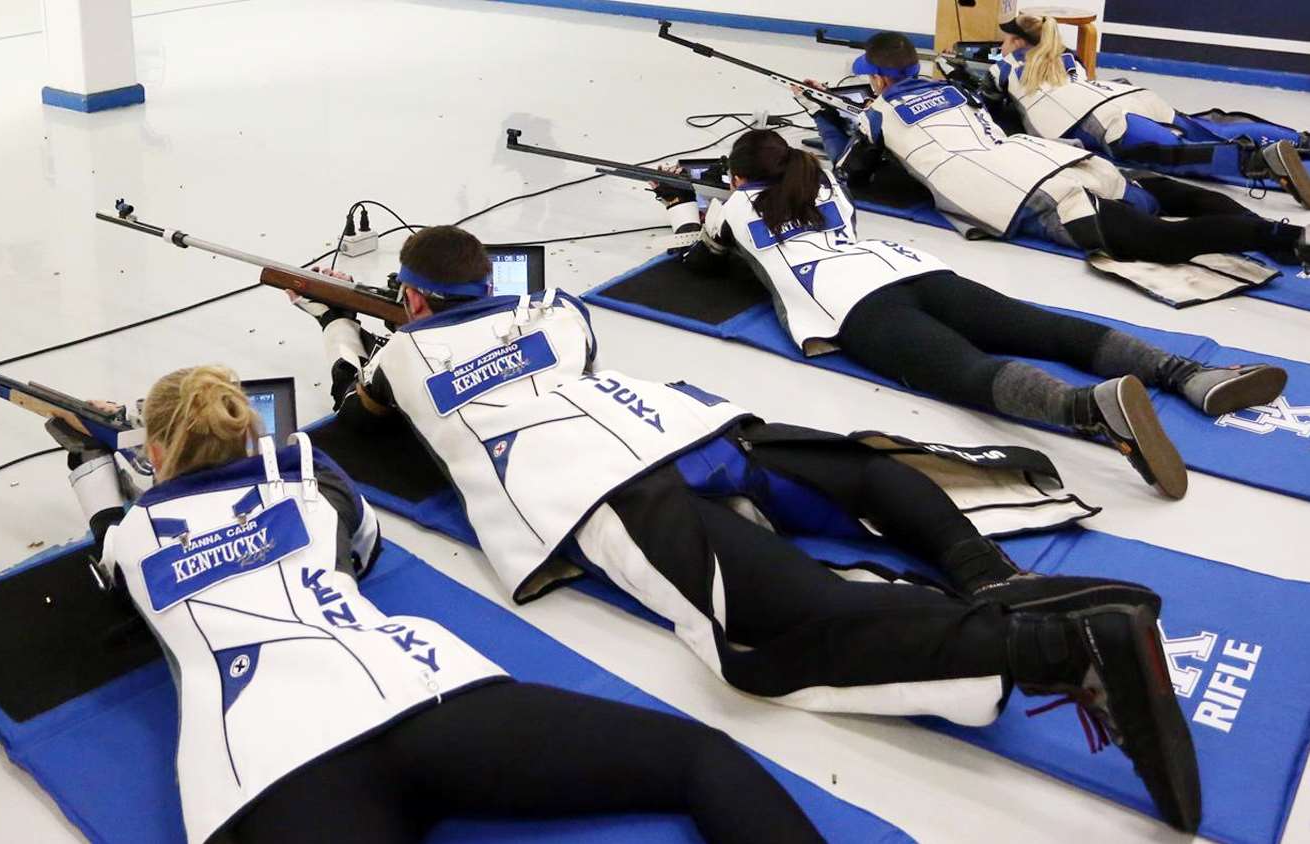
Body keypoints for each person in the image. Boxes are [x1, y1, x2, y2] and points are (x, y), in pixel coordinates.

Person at [304, 224, 1202, 832]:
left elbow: (371, 411)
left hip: (602, 493)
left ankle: (1060, 650)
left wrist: (350, 334)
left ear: (412, 303)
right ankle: (985, 569)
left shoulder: (404, 359)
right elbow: (554, 347)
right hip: (689, 428)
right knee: (862, 469)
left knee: (778, 624)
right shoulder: (560, 315)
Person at [47, 365, 823, 844]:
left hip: (273, 768)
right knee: (700, 758)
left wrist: (92, 459)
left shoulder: (132, 544)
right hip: (425, 695)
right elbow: (362, 539)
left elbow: (112, 530)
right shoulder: (312, 493)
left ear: (151, 457)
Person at [651, 128, 1288, 499]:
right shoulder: (825, 186)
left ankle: (1091, 411)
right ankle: (1187, 374)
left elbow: (699, 260)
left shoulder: (731, 213)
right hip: (913, 268)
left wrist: (680, 198)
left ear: (735, 182)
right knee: (1046, 327)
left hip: (853, 308)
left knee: (968, 373)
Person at [808, 32, 1310, 268]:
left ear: (875, 78)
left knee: (1157, 241)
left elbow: (852, 172)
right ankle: (1282, 231)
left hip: (1018, 193)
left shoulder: (877, 115)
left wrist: (823, 113)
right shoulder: (957, 90)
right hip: (1042, 155)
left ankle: (1277, 239)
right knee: (1171, 192)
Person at [983, 6, 1310, 206]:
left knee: (1185, 155)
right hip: (1125, 96)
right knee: (1210, 128)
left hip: (1100, 118)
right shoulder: (1064, 55)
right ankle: (1301, 140)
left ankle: (1260, 161)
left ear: (1016, 42)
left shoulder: (1006, 66)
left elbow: (990, 99)